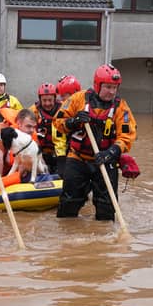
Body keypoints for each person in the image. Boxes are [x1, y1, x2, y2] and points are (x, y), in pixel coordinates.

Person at [53, 64, 136, 221]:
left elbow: (127, 136)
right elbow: (58, 121)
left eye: (115, 87)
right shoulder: (78, 99)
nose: (112, 91)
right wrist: (73, 121)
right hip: (78, 159)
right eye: (108, 87)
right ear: (98, 85)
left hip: (106, 161)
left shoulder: (121, 107)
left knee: (106, 209)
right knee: (68, 204)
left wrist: (111, 153)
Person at [52, 75, 82, 176]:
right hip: (66, 154)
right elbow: (58, 136)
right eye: (61, 95)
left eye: (64, 95)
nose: (61, 99)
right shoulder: (62, 112)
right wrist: (61, 159)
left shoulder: (85, 107)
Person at [29, 82, 61, 174]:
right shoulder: (33, 111)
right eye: (44, 100)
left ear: (55, 98)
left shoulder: (63, 108)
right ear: (40, 100)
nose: (47, 103)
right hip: (41, 153)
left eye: (50, 100)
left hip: (60, 153)